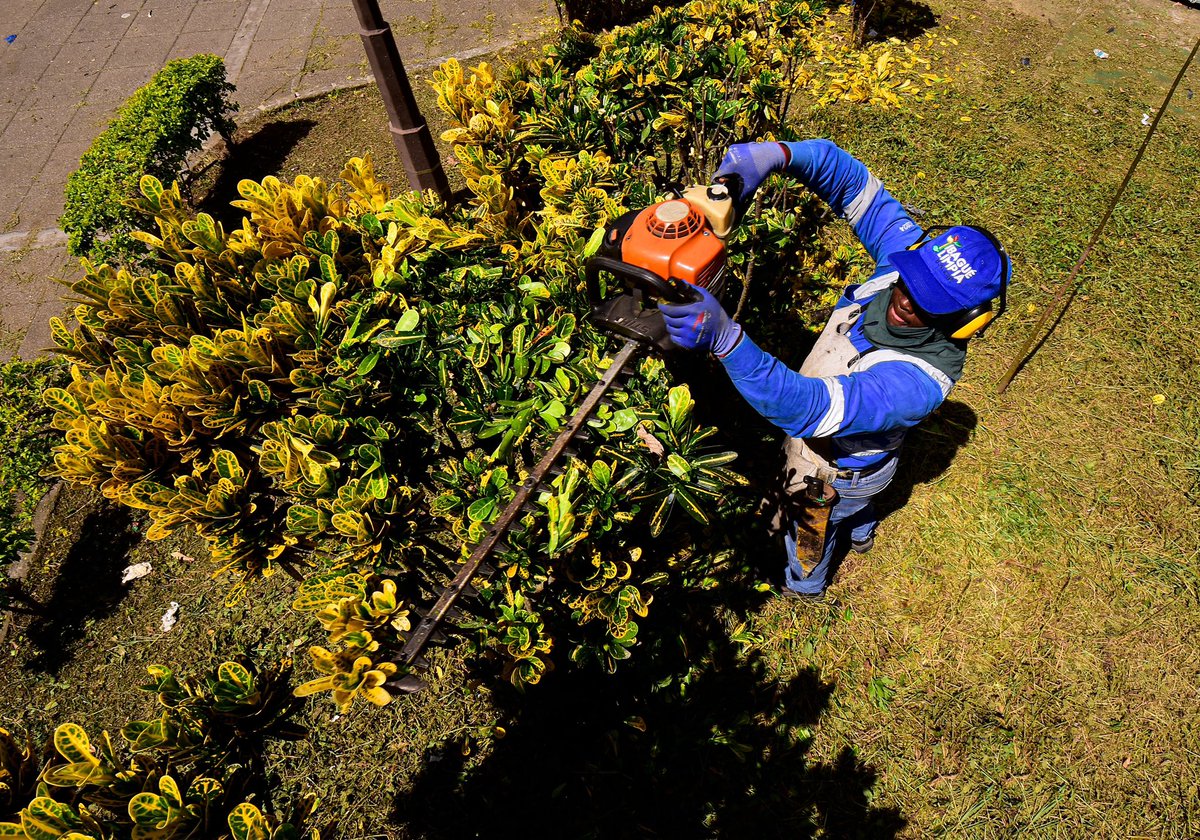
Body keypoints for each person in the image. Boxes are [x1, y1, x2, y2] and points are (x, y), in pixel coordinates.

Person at [658, 139, 1011, 598]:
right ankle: (863, 528)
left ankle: (805, 585)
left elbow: (808, 409)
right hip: (867, 464)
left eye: (929, 305)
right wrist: (778, 156)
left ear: (966, 323)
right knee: (859, 508)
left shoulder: (917, 382)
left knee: (811, 531)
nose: (903, 301)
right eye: (911, 281)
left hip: (835, 469)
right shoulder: (908, 257)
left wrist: (727, 339)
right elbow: (850, 183)